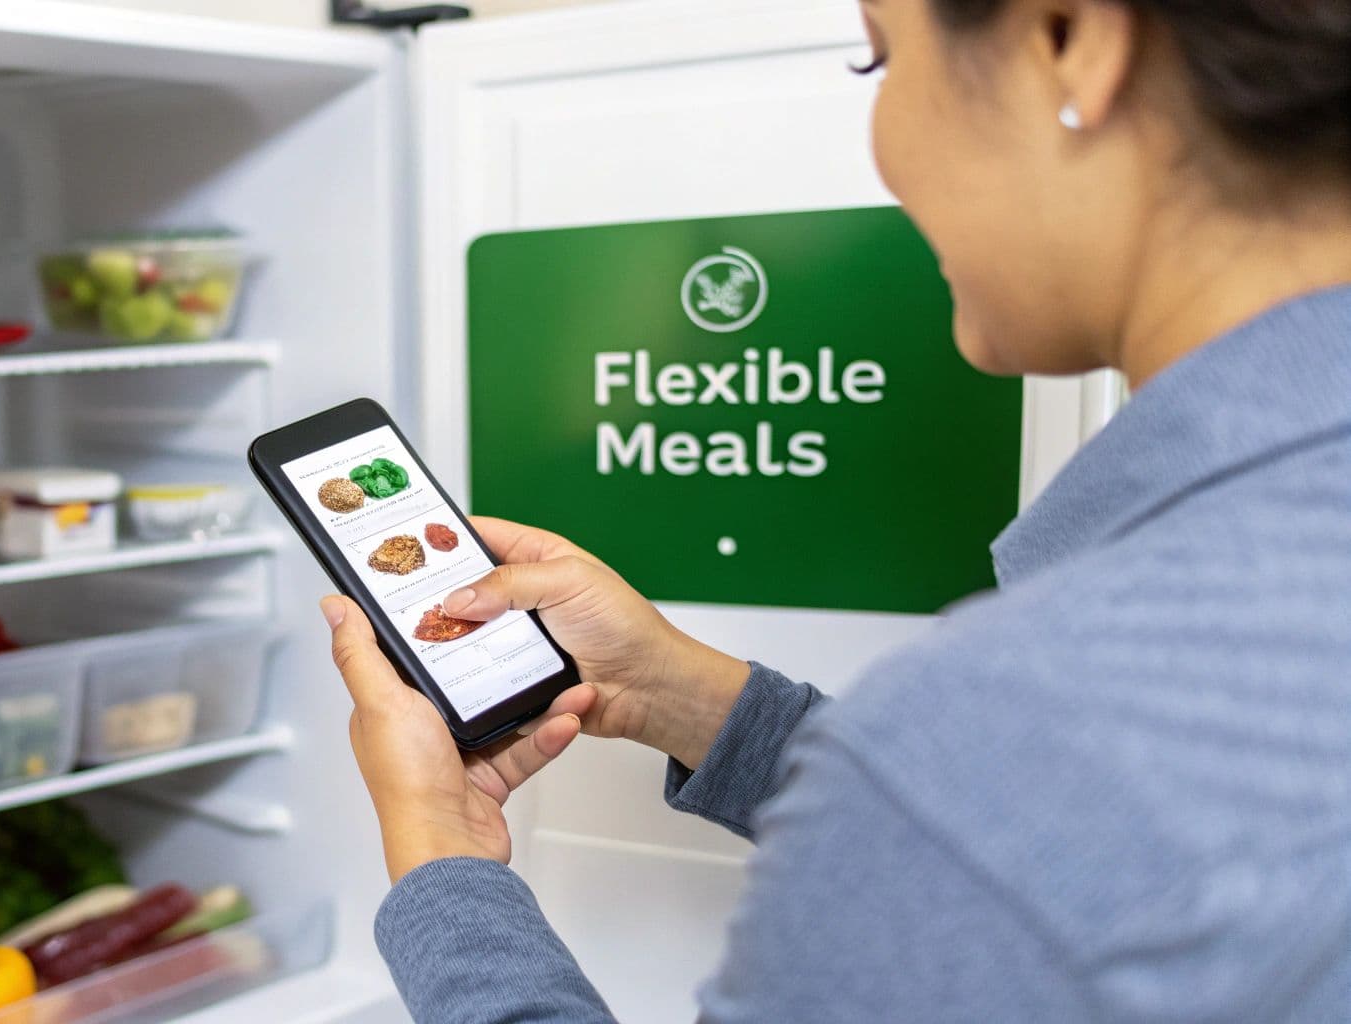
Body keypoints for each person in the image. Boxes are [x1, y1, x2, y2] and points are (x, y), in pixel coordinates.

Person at [319, 0, 1351, 1020]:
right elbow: (1058, 841)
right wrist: (688, 696)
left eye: (880, 61)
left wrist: (441, 863)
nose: (881, 148)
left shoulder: (1019, 713)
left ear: (1066, 39)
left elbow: (996, 812)